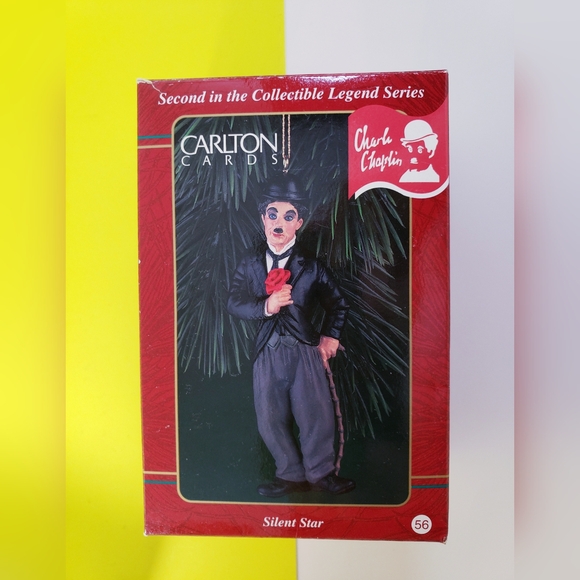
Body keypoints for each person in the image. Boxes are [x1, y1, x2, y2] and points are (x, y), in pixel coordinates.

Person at [227, 174, 355, 497]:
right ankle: (289, 474)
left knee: (315, 412)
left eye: (288, 216)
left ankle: (321, 472)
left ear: (299, 222)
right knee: (269, 416)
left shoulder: (311, 267)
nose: (279, 223)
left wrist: (330, 337)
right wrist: (266, 306)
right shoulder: (251, 265)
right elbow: (233, 302)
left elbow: (338, 304)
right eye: (273, 214)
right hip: (267, 353)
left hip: (304, 351)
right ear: (263, 218)